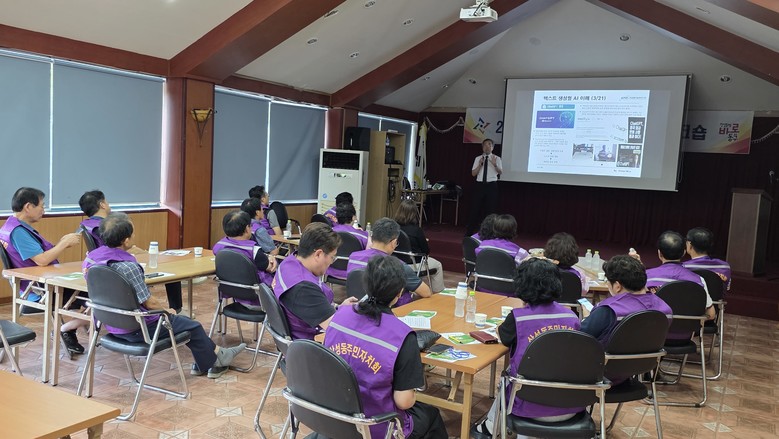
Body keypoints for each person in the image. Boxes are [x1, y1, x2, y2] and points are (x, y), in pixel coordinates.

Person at [82, 213, 246, 378]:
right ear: (126, 240)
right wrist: (168, 312)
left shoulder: (91, 259)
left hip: (111, 323)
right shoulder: (127, 267)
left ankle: (213, 359)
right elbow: (150, 304)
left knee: (184, 323)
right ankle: (214, 363)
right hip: (138, 328)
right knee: (193, 326)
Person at [324, 256, 448, 439]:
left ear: (365, 285)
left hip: (334, 415)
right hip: (376, 426)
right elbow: (404, 402)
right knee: (431, 415)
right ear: (399, 293)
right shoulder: (403, 335)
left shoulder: (339, 315)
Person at [471, 258, 582, 439]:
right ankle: (490, 426)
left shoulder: (518, 318)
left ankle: (491, 427)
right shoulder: (572, 317)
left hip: (529, 408)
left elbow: (503, 337)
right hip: (572, 406)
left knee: (510, 374)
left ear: (521, 286)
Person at [0, 187, 88, 354]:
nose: (44, 210)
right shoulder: (18, 232)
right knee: (98, 296)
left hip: (36, 285)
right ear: (28, 207)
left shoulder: (11, 226)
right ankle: (67, 329)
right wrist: (63, 244)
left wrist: (61, 243)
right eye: (42, 205)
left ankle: (69, 329)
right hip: (39, 291)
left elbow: (39, 255)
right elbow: (41, 260)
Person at [78, 190, 184, 314]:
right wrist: (145, 253)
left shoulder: (87, 225)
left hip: (104, 267)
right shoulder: (109, 226)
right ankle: (177, 310)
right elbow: (119, 246)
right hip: (119, 264)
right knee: (169, 269)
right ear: (102, 204)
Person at [273, 223, 358, 340]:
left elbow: (314, 308)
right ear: (318, 254)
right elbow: (336, 329)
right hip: (308, 343)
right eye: (332, 257)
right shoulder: (304, 288)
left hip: (300, 331)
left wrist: (340, 308)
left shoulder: (287, 263)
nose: (331, 262)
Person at [581, 255, 672, 354]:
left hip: (607, 362)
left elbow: (581, 336)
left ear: (617, 286)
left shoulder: (607, 310)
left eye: (608, 281)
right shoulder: (665, 308)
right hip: (649, 362)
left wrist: (586, 318)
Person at [347, 218, 433, 307]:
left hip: (359, 306)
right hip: (393, 310)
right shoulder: (398, 266)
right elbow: (426, 293)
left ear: (372, 237)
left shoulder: (353, 257)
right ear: (393, 242)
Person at [640, 231, 715, 320]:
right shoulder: (698, 280)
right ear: (684, 252)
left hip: (654, 326)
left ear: (659, 253)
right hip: (687, 328)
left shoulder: (645, 277)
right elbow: (711, 315)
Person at [212, 210, 277, 303]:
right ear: (247, 228)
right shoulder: (254, 251)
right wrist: (270, 258)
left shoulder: (218, 246)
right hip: (260, 300)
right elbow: (271, 268)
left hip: (233, 296)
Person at [393, 199, 445, 292]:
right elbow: (426, 251)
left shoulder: (393, 228)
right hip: (413, 264)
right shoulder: (416, 230)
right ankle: (438, 294)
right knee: (438, 265)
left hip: (396, 262)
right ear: (414, 214)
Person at [465, 138, 502, 236]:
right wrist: (480, 165)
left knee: (491, 210)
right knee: (475, 209)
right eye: (485, 145)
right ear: (482, 147)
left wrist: (495, 165)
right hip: (479, 185)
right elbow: (473, 173)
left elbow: (500, 172)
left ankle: (491, 233)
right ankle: (469, 232)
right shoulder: (478, 158)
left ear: (492, 147)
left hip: (491, 186)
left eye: (489, 145)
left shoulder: (497, 158)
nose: (487, 147)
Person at [683, 227, 731, 293]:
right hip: (716, 299)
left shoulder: (684, 267)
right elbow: (726, 288)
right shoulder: (725, 266)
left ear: (690, 245)